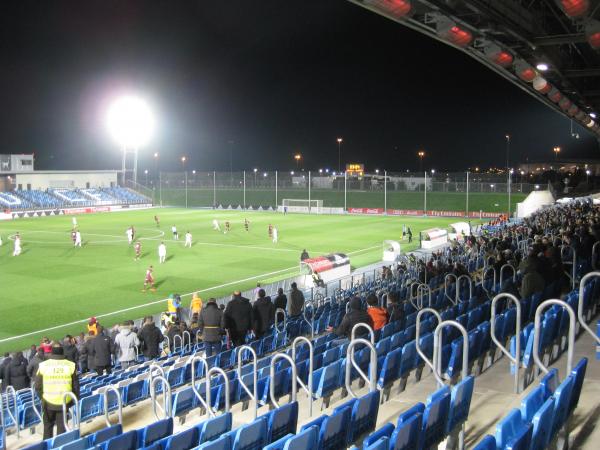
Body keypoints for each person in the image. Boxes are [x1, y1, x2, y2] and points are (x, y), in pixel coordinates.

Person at [35, 343, 79, 440]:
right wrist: (72, 401)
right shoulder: (71, 365)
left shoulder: (43, 365)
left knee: (47, 428)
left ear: (51, 352)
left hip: (48, 402)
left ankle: (47, 446)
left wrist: (42, 398)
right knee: (62, 428)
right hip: (64, 402)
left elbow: (37, 386)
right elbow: (76, 386)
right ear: (62, 351)